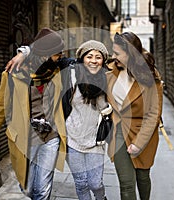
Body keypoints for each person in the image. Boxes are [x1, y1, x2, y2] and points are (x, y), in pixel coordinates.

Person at [0, 28, 70, 199]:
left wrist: (25, 50)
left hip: (51, 136)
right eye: (57, 53)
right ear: (45, 54)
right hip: (26, 137)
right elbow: (0, 110)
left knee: (42, 190)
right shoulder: (13, 74)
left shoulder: (57, 70)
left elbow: (83, 61)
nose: (61, 57)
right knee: (28, 188)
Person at [106, 32, 163, 200]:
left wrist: (139, 143)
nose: (113, 56)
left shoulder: (150, 75)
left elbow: (154, 113)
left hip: (142, 131)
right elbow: (84, 62)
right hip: (118, 132)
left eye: (117, 53)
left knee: (142, 177)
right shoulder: (110, 70)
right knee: (126, 183)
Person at [61, 40, 112, 200]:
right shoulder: (71, 75)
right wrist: (24, 53)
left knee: (95, 183)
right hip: (72, 138)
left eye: (98, 57)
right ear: (82, 58)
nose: (94, 60)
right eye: (89, 56)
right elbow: (49, 60)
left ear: (103, 60)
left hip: (95, 140)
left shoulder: (108, 78)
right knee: (81, 183)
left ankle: (101, 197)